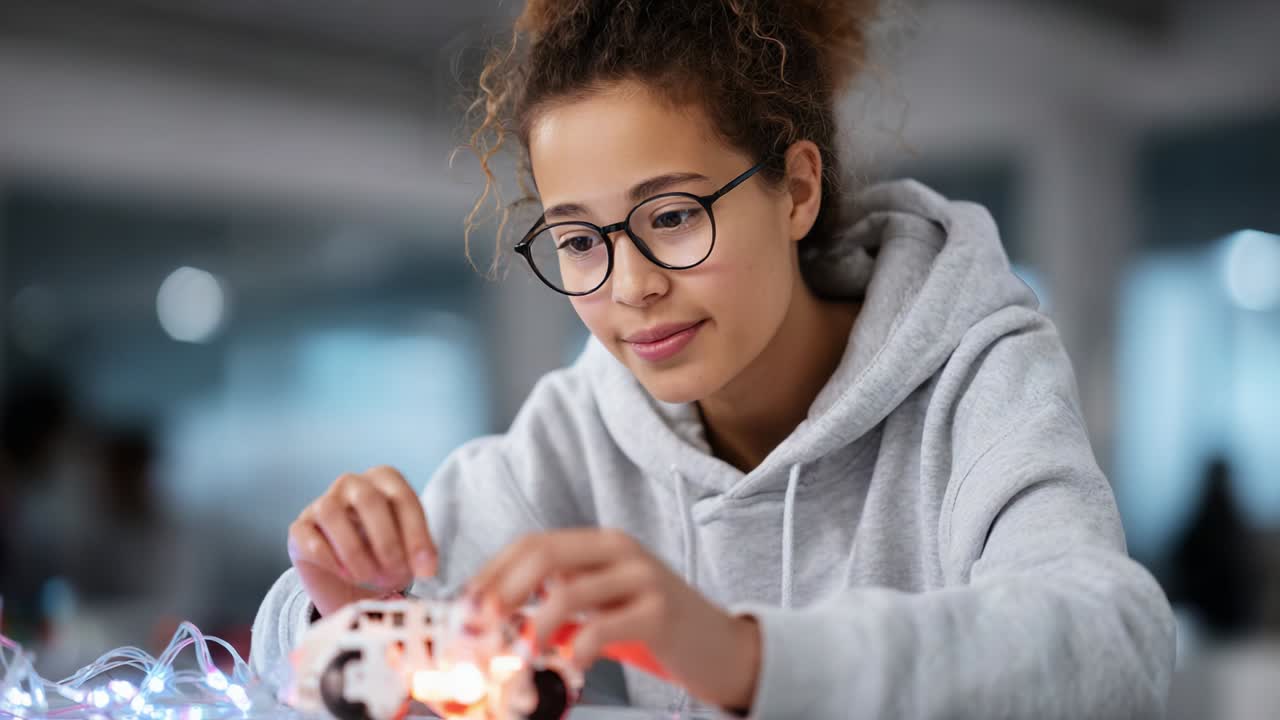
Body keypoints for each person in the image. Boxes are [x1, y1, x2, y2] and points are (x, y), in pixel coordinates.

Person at [251, 1, 1175, 716]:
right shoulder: (576, 434)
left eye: (674, 216)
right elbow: (285, 652)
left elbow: (1118, 647)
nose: (630, 286)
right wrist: (352, 614)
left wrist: (735, 654)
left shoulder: (975, 374)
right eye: (579, 239)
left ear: (798, 190)